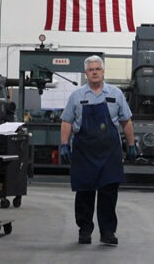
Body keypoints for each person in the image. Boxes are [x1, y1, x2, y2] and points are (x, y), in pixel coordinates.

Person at [59, 55, 137, 246]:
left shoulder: (116, 93)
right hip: (84, 152)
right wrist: (63, 144)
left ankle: (108, 232)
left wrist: (132, 144)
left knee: (108, 193)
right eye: (91, 69)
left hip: (110, 152)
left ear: (103, 71)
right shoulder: (76, 96)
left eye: (97, 69)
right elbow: (67, 121)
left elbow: (126, 121)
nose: (94, 72)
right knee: (84, 193)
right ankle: (85, 230)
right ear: (86, 73)